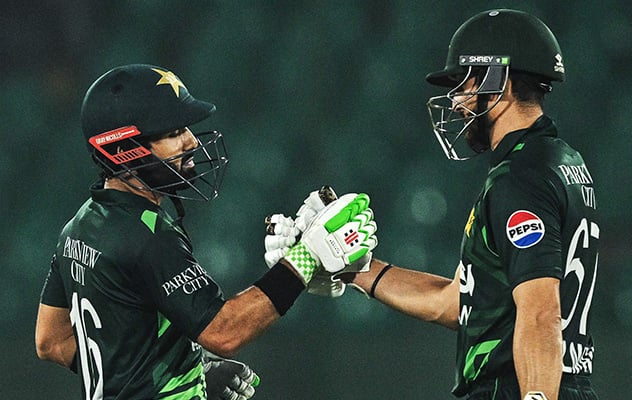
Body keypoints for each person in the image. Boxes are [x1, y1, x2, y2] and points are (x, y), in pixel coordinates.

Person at [267, 8, 599, 400]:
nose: (457, 101)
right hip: (561, 383)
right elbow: (455, 301)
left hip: (516, 388)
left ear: (498, 79)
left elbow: (541, 311)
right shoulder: (561, 162)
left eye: (464, 83)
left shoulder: (519, 178)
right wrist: (355, 269)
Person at [35, 64, 377, 400]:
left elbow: (51, 340)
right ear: (124, 150)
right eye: (172, 132)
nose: (192, 141)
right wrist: (306, 257)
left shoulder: (79, 226)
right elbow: (224, 332)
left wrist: (182, 372)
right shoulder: (147, 236)